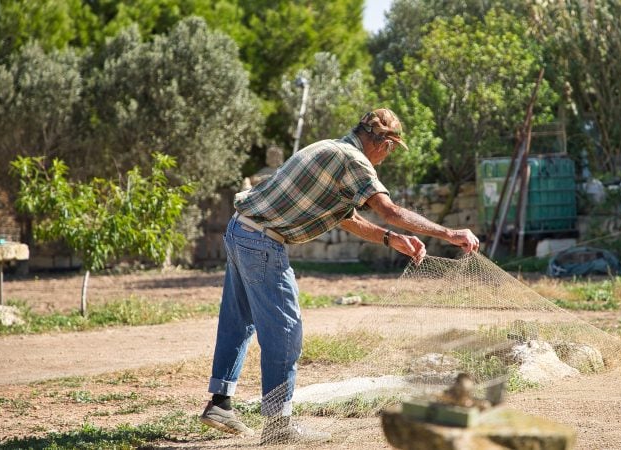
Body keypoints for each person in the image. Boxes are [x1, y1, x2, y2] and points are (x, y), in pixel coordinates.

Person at [199, 108, 480, 444]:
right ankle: (278, 426)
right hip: (261, 241)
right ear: (380, 141)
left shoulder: (332, 150)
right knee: (286, 331)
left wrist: (391, 239)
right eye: (389, 149)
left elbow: (346, 219)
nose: (386, 158)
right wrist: (449, 233)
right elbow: (389, 210)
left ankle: (220, 403)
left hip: (240, 229)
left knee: (240, 318)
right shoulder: (354, 160)